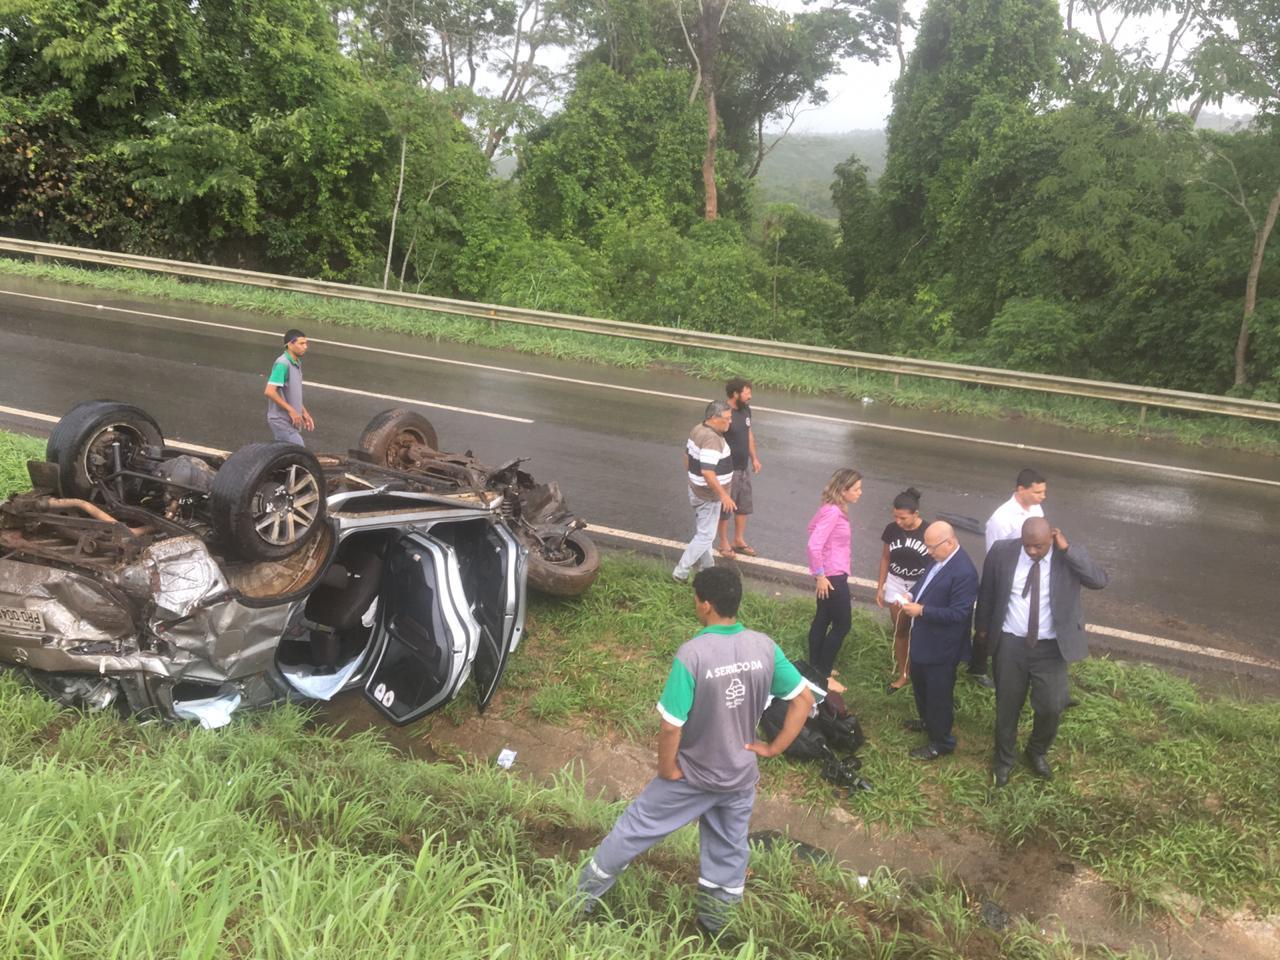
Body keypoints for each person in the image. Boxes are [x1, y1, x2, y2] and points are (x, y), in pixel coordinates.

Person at [576, 567, 814, 938]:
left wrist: (667, 769)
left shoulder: (694, 654)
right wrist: (773, 747)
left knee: (633, 829)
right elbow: (803, 699)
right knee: (729, 850)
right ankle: (718, 926)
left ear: (705, 605)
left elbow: (672, 724)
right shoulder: (764, 646)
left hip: (694, 774)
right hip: (740, 776)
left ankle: (579, 901)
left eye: (696, 599)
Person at [974, 518, 1108, 787]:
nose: (1032, 551)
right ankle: (1004, 759)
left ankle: (1036, 751)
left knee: (1051, 706)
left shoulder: (1066, 556)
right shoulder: (1002, 551)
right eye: (1028, 546)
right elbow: (987, 591)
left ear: (1052, 538)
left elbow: (1099, 580)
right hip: (1011, 643)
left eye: (1039, 546)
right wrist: (982, 630)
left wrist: (1067, 550)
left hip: (1050, 647)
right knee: (1007, 706)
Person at [897, 522, 979, 761]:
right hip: (924, 639)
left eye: (932, 547)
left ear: (950, 542)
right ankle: (927, 721)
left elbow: (959, 614)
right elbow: (926, 584)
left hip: (943, 647)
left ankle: (941, 742)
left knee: (938, 695)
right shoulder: (938, 559)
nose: (928, 552)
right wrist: (911, 594)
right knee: (920, 684)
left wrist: (922, 611)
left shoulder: (964, 572)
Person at [969, 467, 1048, 688]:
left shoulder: (1036, 508)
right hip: (1000, 576)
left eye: (1043, 492)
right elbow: (994, 553)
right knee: (988, 623)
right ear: (1021, 490)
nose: (1042, 497)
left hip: (1027, 573)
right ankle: (978, 667)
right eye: (1038, 492)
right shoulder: (1001, 519)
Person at [805, 468, 862, 678]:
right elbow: (813, 544)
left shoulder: (829, 508)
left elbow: (811, 528)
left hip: (829, 574)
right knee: (842, 624)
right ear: (843, 490)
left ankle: (815, 666)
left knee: (823, 618)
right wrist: (820, 575)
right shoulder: (833, 513)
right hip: (832, 577)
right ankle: (824, 673)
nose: (860, 492)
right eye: (856, 489)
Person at [876, 487, 932, 694]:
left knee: (923, 631)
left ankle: (923, 672)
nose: (898, 522)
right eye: (895, 517)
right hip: (896, 583)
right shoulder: (891, 530)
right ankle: (903, 673)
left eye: (903, 518)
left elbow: (935, 565)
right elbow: (885, 558)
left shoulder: (928, 531)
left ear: (915, 514)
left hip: (921, 585)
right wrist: (880, 587)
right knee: (901, 629)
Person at [673, 400, 736, 584]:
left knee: (705, 532)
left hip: (696, 489)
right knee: (706, 535)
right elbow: (708, 472)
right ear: (714, 418)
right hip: (709, 496)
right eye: (727, 418)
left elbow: (687, 456)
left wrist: (692, 478)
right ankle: (681, 572)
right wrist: (724, 495)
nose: (730, 422)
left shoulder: (697, 429)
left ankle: (707, 568)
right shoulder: (712, 440)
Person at [716, 378, 762, 559]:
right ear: (735, 394)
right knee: (726, 506)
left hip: (743, 467)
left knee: (743, 506)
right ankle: (723, 542)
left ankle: (738, 540)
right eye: (747, 392)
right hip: (727, 468)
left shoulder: (746, 411)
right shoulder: (722, 413)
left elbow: (748, 434)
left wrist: (754, 458)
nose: (750, 396)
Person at [264, 329, 314, 445]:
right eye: (301, 343)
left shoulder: (296, 363)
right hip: (280, 420)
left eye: (306, 343)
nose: (305, 347)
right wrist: (291, 410)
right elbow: (269, 391)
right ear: (290, 344)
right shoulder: (283, 363)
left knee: (285, 455)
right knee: (298, 451)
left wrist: (304, 412)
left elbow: (291, 394)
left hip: (289, 420)